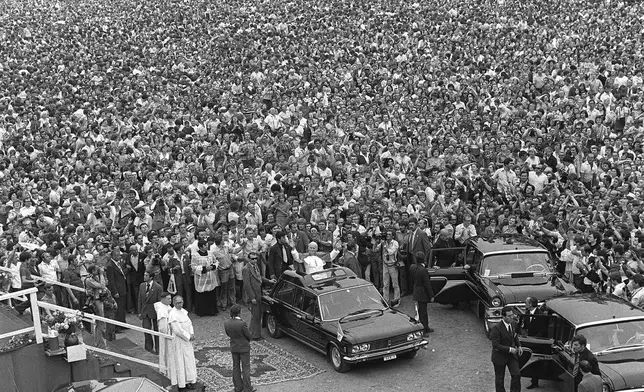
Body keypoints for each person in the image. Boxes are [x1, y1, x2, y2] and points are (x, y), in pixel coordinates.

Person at [224, 304, 256, 392]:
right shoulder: (242, 323)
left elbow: (228, 334)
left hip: (234, 347)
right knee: (245, 368)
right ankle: (247, 388)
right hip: (244, 348)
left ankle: (238, 387)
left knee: (236, 367)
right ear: (239, 312)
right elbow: (248, 336)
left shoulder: (226, 323)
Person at [168, 295, 197, 390]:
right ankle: (183, 382)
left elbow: (189, 323)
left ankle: (191, 379)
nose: (180, 305)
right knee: (182, 361)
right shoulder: (173, 314)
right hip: (180, 341)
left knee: (189, 360)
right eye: (177, 303)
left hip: (187, 341)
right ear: (174, 303)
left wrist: (192, 333)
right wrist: (188, 336)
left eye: (181, 302)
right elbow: (177, 330)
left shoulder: (184, 312)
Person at [490, 306, 522, 392]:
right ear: (503, 317)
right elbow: (495, 345)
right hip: (500, 356)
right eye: (509, 316)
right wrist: (510, 349)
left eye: (512, 315)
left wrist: (519, 345)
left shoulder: (513, 324)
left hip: (511, 356)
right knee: (500, 379)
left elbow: (515, 336)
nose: (511, 317)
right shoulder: (496, 328)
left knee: (516, 374)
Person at [519, 297, 547, 389]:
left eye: (526, 302)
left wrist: (534, 339)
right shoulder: (527, 313)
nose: (525, 304)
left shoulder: (541, 315)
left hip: (537, 343)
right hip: (529, 341)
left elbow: (543, 330)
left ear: (530, 304)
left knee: (535, 363)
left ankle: (535, 381)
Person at [242, 252, 271, 340]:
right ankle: (255, 335)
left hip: (259, 293)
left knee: (257, 314)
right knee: (256, 315)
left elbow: (259, 277)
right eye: (252, 259)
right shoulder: (246, 269)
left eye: (256, 259)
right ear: (248, 259)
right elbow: (247, 285)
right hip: (254, 295)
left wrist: (269, 281)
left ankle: (252, 331)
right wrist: (252, 297)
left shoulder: (255, 266)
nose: (254, 260)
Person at [191, 239, 219, 316]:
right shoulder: (195, 255)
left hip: (210, 277)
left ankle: (212, 311)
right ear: (200, 247)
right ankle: (202, 312)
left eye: (207, 245)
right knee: (202, 295)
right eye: (205, 245)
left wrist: (213, 266)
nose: (207, 246)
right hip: (201, 279)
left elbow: (216, 261)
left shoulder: (210, 253)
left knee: (211, 294)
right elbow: (193, 267)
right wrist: (204, 269)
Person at [409, 251, 434, 335]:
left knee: (420, 311)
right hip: (422, 292)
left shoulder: (412, 267)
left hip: (416, 290)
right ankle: (424, 329)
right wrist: (431, 295)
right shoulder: (423, 270)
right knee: (423, 312)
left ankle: (425, 328)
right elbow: (427, 284)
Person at [138, 270, 162, 354]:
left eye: (146, 275)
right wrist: (139, 311)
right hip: (145, 311)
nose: (144, 277)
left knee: (156, 331)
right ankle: (149, 349)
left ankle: (158, 349)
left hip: (154, 311)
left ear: (151, 277)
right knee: (146, 329)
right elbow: (140, 299)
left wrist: (159, 313)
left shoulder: (158, 287)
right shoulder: (141, 285)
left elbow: (159, 301)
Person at [105, 248, 127, 333]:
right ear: (113, 256)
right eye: (118, 255)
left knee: (122, 307)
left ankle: (122, 323)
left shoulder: (118, 263)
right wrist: (115, 292)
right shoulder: (110, 265)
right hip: (117, 289)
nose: (119, 257)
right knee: (118, 309)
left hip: (122, 288)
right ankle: (117, 327)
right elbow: (111, 280)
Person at [154, 291, 173, 377]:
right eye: (168, 299)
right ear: (162, 299)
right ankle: (165, 370)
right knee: (165, 352)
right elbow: (162, 328)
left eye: (170, 298)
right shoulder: (161, 310)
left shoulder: (167, 306)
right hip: (166, 335)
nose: (170, 300)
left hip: (170, 333)